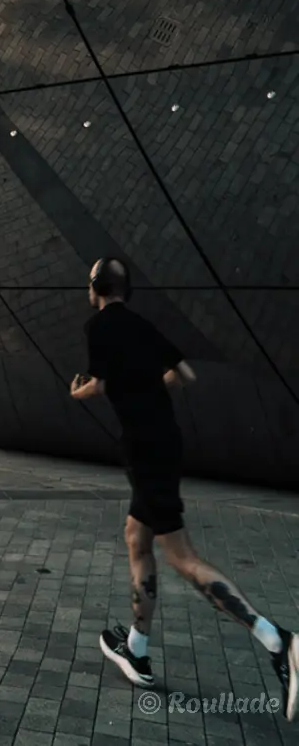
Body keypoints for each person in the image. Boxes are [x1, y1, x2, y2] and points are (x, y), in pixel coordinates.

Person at [70, 256, 297, 717]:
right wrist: (150, 387)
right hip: (164, 440)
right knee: (136, 537)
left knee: (181, 557)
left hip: (144, 448)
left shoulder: (99, 327)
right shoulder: (143, 326)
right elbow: (184, 375)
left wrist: (80, 392)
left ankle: (279, 641)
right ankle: (136, 647)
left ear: (96, 288)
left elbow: (102, 384)